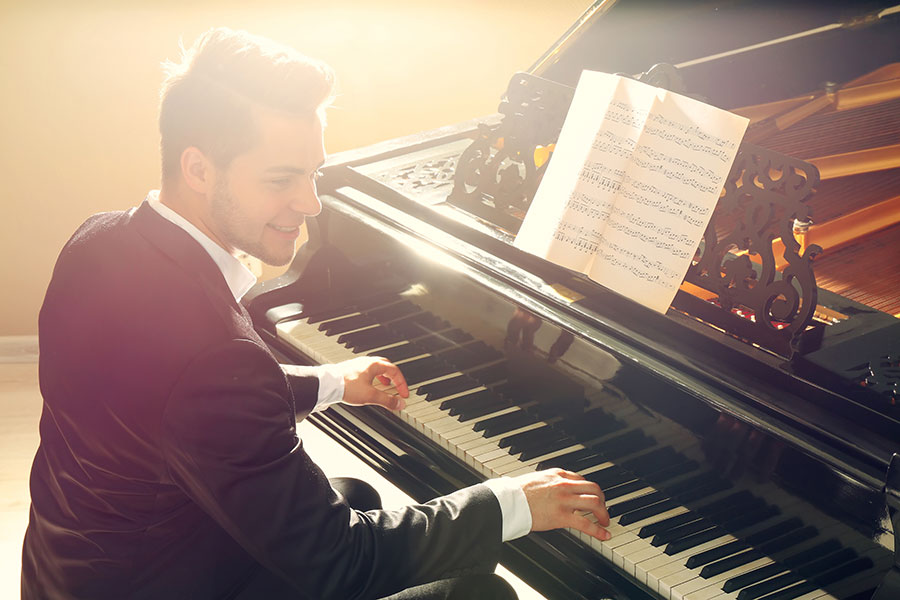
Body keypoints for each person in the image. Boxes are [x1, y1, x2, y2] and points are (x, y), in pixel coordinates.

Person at [22, 27, 610, 599]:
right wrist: (511, 503)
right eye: (282, 179)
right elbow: (340, 564)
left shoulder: (97, 241)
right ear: (198, 169)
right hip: (169, 579)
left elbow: (172, 403)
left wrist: (331, 382)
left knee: (355, 495)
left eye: (312, 173)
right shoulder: (213, 359)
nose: (310, 202)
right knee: (479, 593)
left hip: (78, 568)